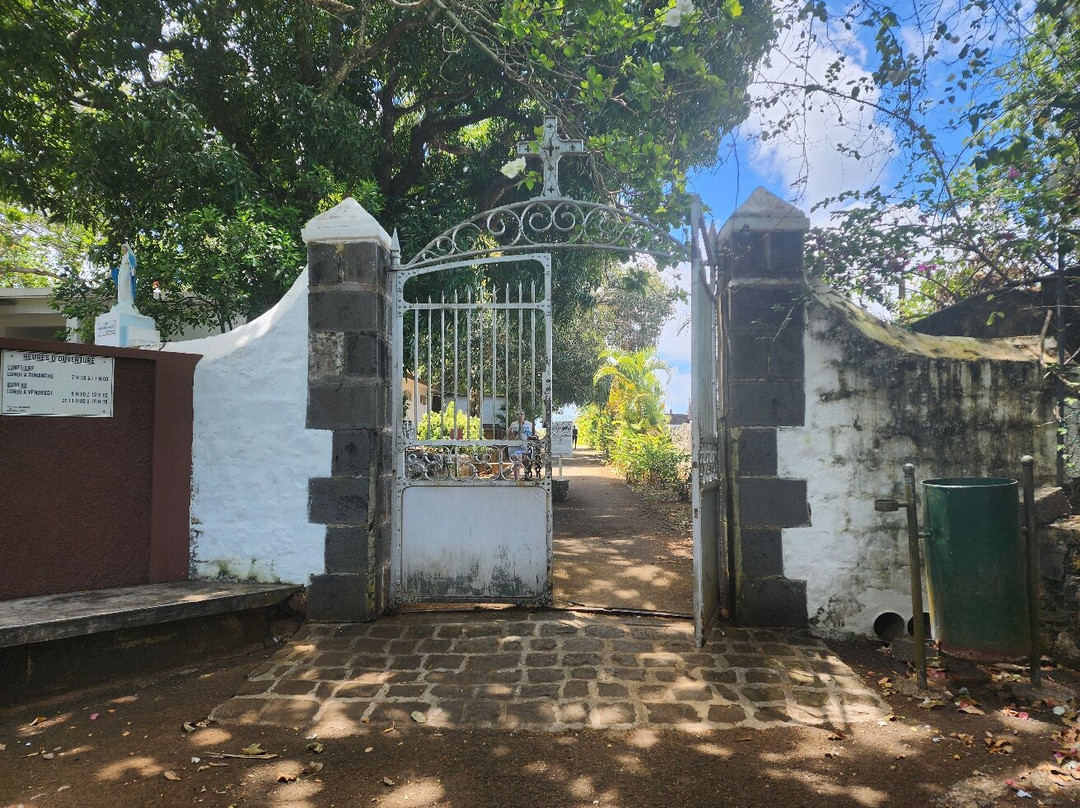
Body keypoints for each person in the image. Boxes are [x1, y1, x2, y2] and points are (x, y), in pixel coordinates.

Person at [507, 410, 532, 479]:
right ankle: (517, 479)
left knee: (526, 462)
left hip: (526, 446)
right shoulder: (513, 424)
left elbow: (535, 434)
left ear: (524, 416)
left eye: (522, 414)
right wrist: (513, 436)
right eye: (517, 414)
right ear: (515, 416)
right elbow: (507, 436)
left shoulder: (529, 424)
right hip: (515, 447)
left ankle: (526, 476)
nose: (520, 416)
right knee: (518, 460)